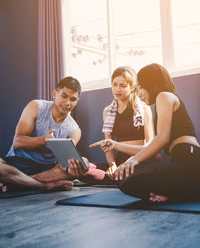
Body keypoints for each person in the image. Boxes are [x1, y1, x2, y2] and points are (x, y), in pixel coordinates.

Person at [90, 63, 200, 202]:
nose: (139, 93)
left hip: (189, 158)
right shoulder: (162, 101)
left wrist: (134, 160)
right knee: (125, 181)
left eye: (141, 87)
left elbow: (162, 138)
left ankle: (181, 192)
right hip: (179, 160)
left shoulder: (164, 96)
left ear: (151, 84)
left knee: (127, 179)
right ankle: (176, 193)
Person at [4, 76, 89, 184]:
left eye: (73, 99)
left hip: (47, 171)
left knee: (84, 163)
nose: (67, 103)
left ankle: (19, 182)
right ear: (54, 94)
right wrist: (43, 140)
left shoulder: (75, 130)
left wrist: (77, 164)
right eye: (64, 96)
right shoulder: (35, 106)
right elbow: (17, 142)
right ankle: (41, 184)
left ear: (77, 101)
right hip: (20, 163)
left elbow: (65, 161)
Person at [101, 66, 158, 180]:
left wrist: (132, 161)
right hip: (121, 160)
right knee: (86, 170)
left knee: (129, 178)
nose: (117, 89)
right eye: (114, 84)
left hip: (143, 159)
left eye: (123, 86)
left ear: (132, 87)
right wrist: (112, 165)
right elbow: (108, 146)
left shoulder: (143, 108)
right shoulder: (107, 111)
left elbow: (150, 145)